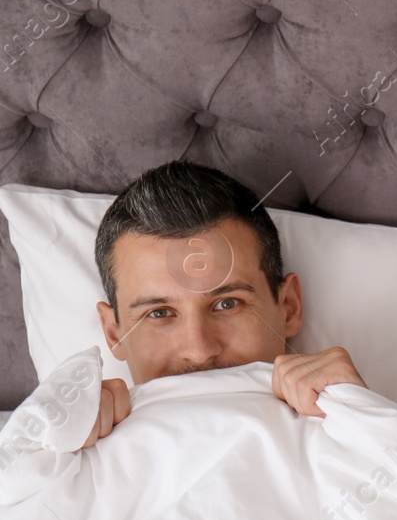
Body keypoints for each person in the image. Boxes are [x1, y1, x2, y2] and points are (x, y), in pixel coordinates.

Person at [78, 160, 365, 446]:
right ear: (115, 333)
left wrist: (366, 423)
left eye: (227, 304)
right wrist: (45, 449)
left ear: (288, 306)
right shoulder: (64, 461)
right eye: (159, 313)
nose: (200, 351)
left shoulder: (355, 436)